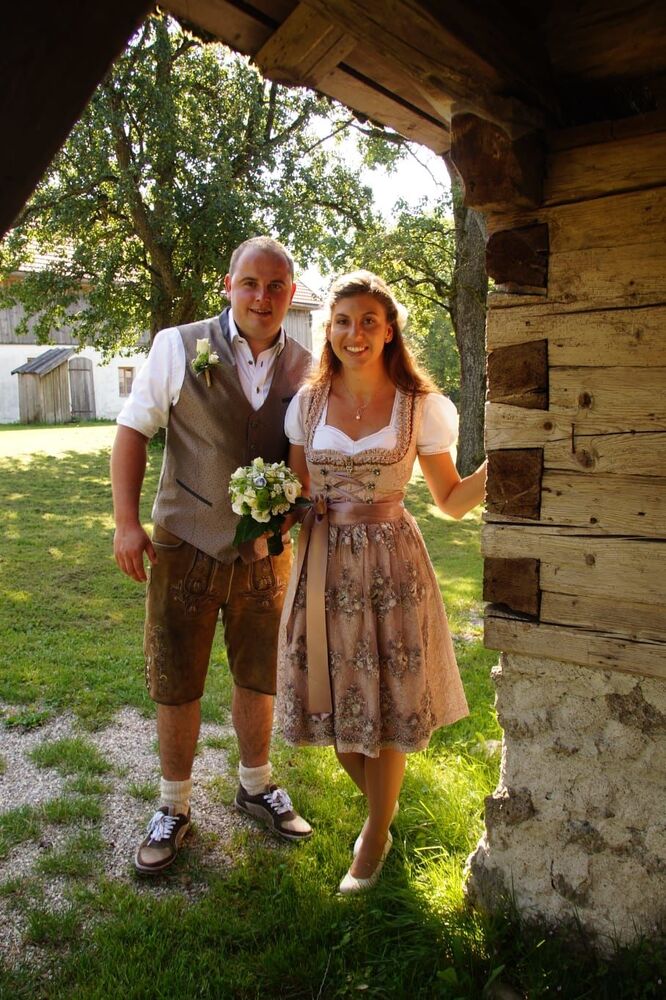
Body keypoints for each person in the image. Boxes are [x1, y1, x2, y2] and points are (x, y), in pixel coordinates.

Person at [277, 270, 486, 893]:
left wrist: (506, 461)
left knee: (389, 700)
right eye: (343, 321)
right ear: (329, 330)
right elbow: (296, 491)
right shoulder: (307, 405)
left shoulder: (420, 406)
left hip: (392, 567)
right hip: (322, 566)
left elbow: (450, 500)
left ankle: (374, 834)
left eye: (369, 321)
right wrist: (271, 512)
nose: (355, 333)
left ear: (389, 330)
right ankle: (382, 815)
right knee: (334, 704)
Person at [111, 236, 313, 875]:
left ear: (291, 293)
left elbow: (308, 458)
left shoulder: (308, 366)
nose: (262, 297)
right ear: (229, 286)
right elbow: (132, 429)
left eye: (276, 286)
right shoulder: (179, 345)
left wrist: (293, 515)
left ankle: (256, 786)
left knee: (259, 671)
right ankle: (173, 806)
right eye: (250, 283)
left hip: (264, 554)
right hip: (184, 543)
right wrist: (126, 523)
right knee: (177, 675)